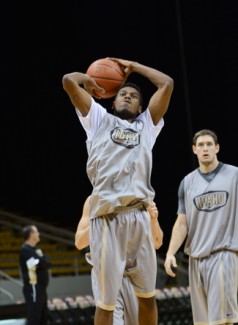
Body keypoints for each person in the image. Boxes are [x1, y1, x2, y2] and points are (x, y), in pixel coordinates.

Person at [62, 57, 174, 325]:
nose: (127, 97)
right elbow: (68, 81)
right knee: (106, 303)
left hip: (138, 216)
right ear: (112, 101)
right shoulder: (99, 119)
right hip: (107, 218)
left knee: (147, 297)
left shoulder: (146, 126)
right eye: (123, 93)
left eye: (134, 96)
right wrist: (88, 80)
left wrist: (134, 67)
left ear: (140, 106)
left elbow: (167, 84)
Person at [164, 129, 238, 325]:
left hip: (223, 253)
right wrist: (171, 253)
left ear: (217, 148)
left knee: (221, 321)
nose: (205, 148)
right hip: (196, 259)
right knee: (204, 322)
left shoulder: (234, 175)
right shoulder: (187, 183)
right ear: (194, 150)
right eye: (201, 145)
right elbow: (182, 223)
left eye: (209, 144)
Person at [75, 195, 163, 325]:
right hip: (108, 273)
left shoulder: (141, 199)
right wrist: (101, 221)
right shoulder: (93, 200)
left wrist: (153, 220)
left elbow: (157, 242)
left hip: (135, 274)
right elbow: (79, 242)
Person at [19, 225, 52, 325]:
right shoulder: (25, 250)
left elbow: (47, 262)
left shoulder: (37, 249)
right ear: (31, 234)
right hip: (33, 288)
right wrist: (42, 262)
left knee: (43, 318)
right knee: (34, 319)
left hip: (41, 289)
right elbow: (41, 263)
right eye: (37, 232)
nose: (39, 234)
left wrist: (42, 262)